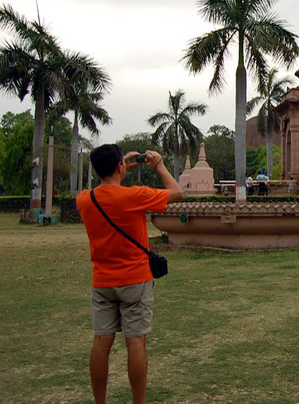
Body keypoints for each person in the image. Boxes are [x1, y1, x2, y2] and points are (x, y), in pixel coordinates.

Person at [76, 145, 183, 404]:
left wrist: (118, 166)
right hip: (134, 279)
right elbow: (177, 193)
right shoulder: (133, 196)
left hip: (102, 281)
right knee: (135, 343)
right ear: (119, 167)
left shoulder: (84, 200)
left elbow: (104, 189)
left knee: (102, 343)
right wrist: (158, 166)